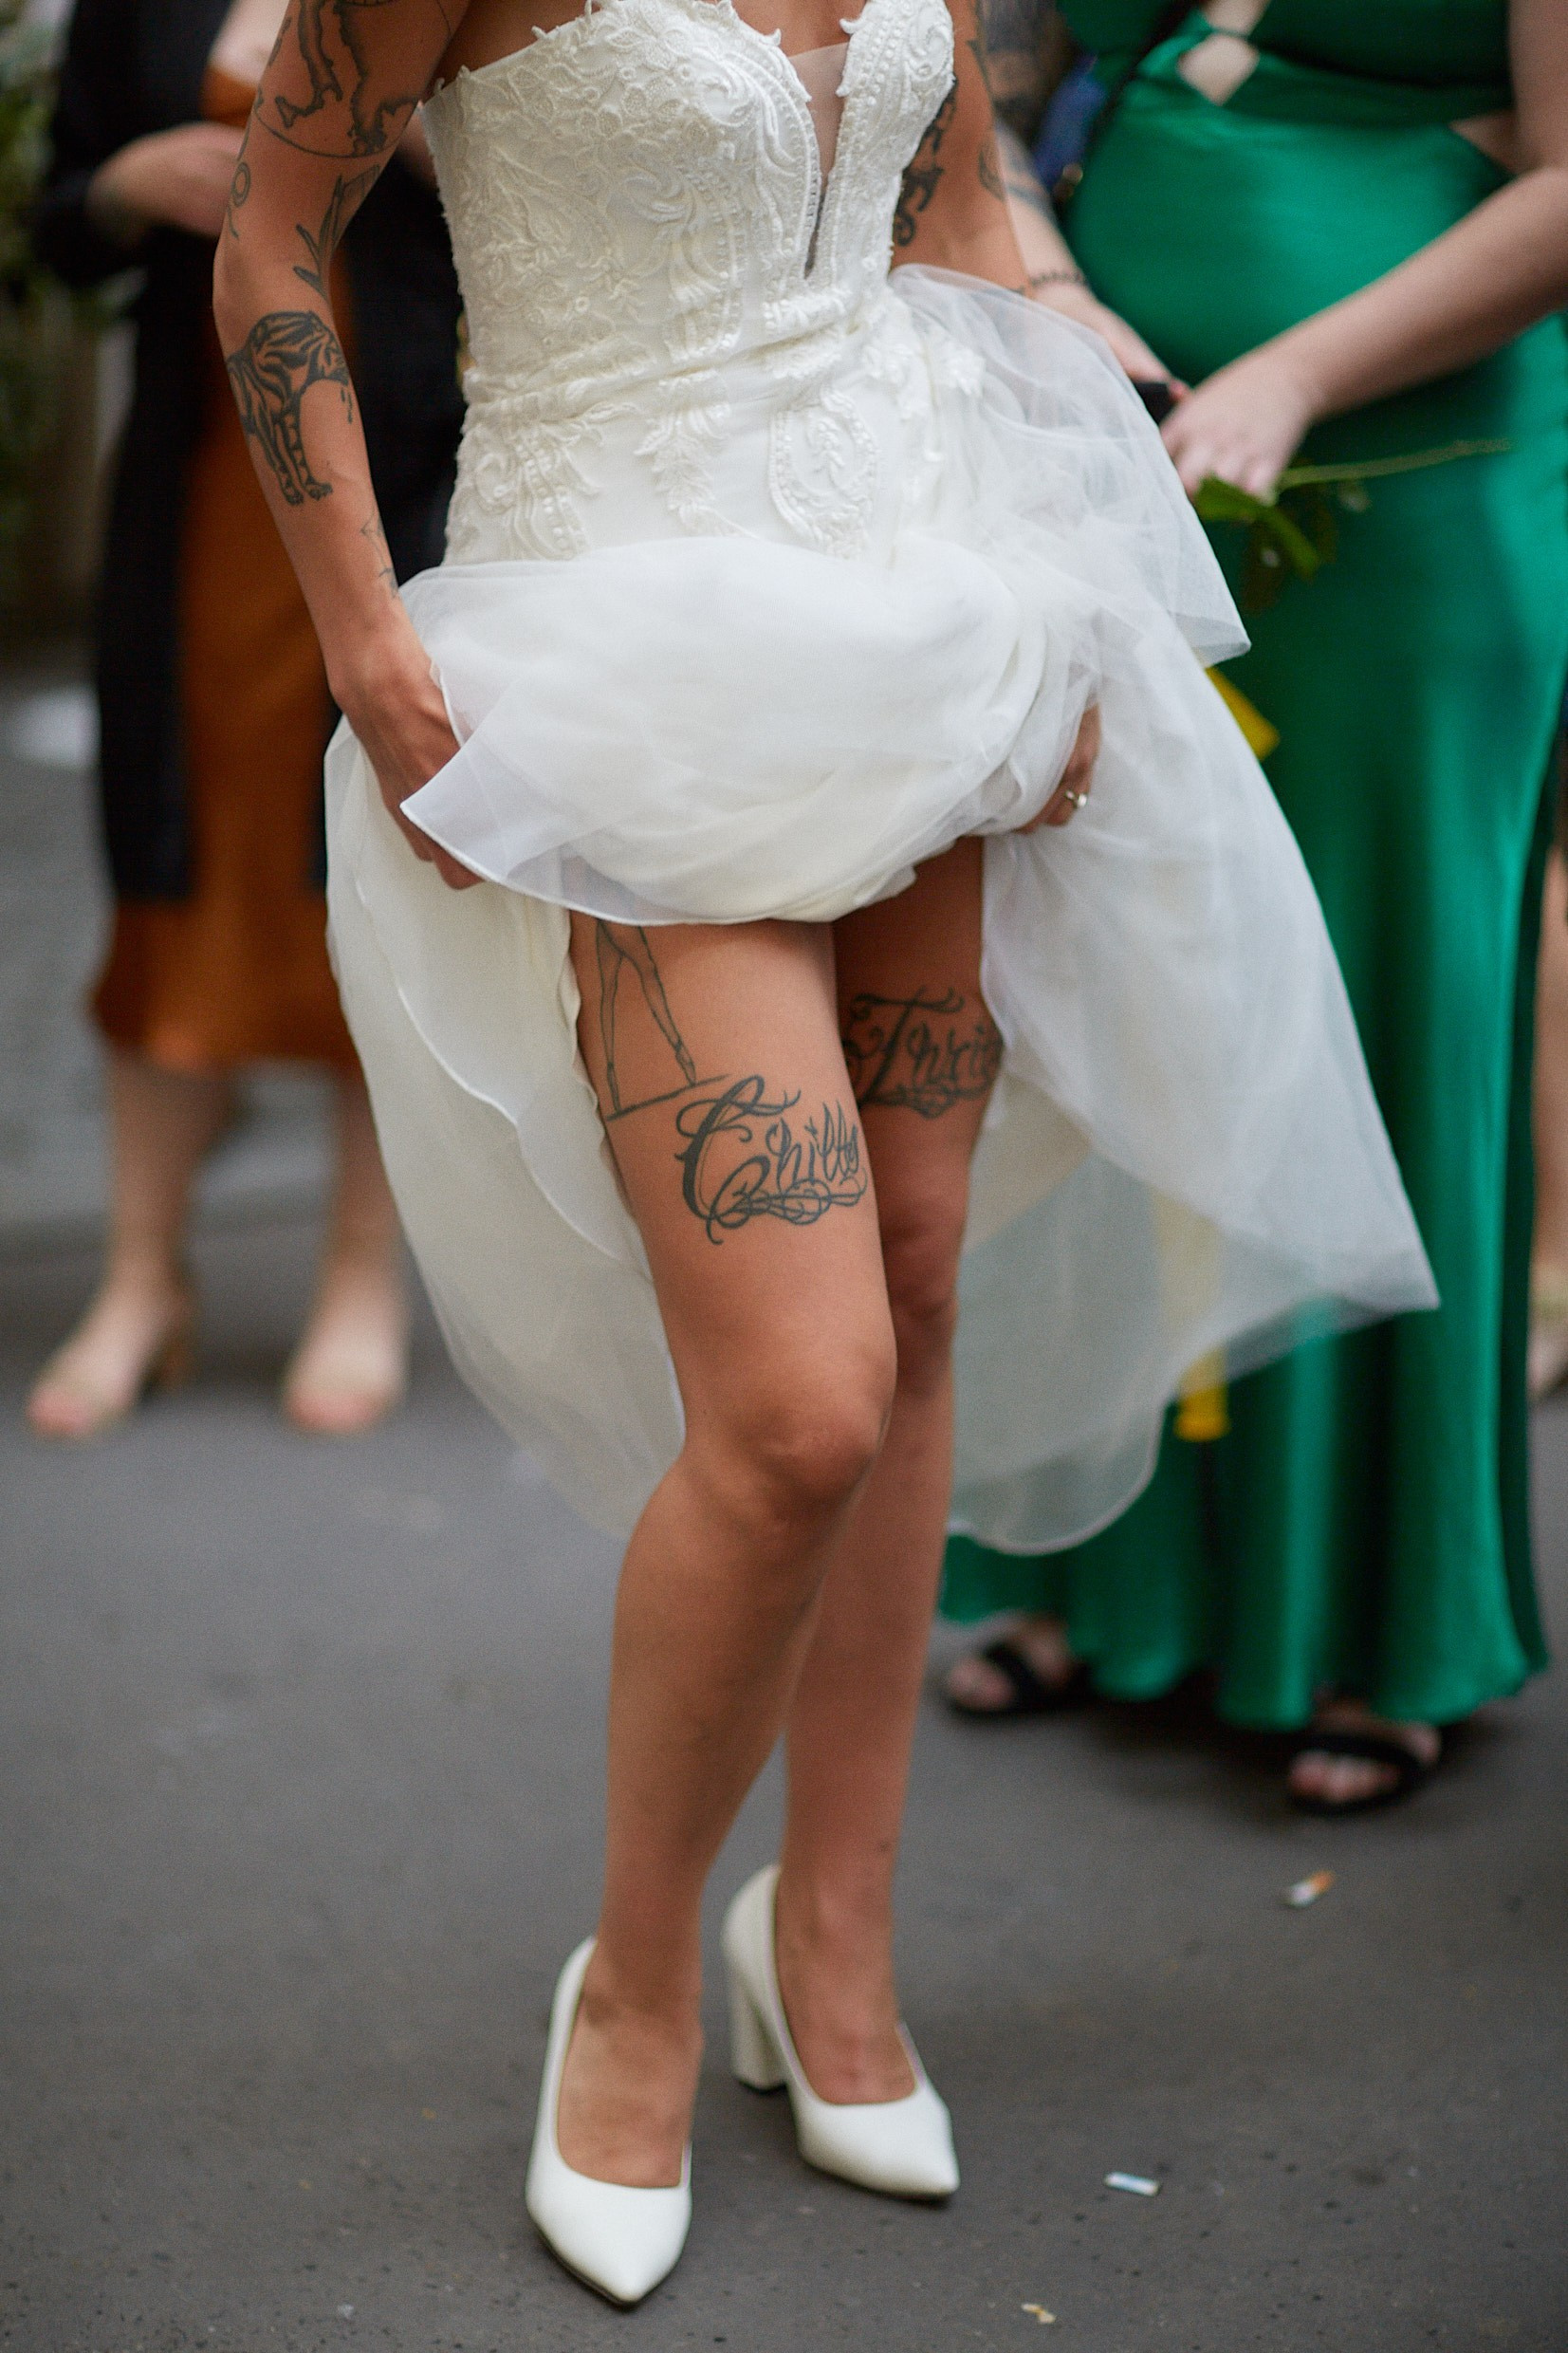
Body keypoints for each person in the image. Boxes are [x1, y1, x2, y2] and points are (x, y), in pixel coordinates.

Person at [216, 0, 1432, 2305]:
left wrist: (1074, 592)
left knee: (923, 1268)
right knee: (792, 1405)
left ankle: (838, 1936)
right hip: (625, 664)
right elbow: (273, 235)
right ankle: (643, 1979)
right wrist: (364, 639)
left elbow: (957, 211)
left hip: (927, 616)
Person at [944, 0, 1568, 1814]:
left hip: (1416, 484)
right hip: (1116, 457)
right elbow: (974, 74)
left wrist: (1293, 370)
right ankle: (1093, 1567)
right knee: (1103, 984)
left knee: (1382, 1006)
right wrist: (1053, 293)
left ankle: (1376, 1615)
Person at [26, 0, 463, 1439]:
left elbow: (547, 200)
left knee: (373, 875)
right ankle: (141, 1275)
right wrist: (127, 181)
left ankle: (359, 1276)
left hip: (400, 468)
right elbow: (55, 223)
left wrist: (379, 140)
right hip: (200, 478)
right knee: (166, 862)